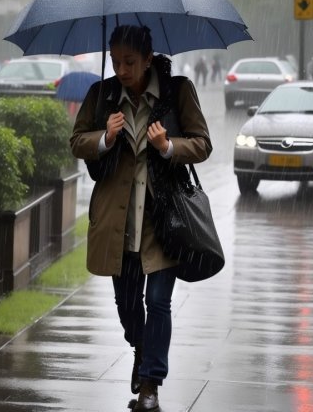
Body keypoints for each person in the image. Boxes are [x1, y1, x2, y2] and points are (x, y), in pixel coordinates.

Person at [70, 25, 212, 411]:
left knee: (159, 301)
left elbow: (202, 143)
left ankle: (151, 383)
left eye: (130, 62)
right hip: (119, 222)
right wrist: (106, 138)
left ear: (148, 59)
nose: (121, 69)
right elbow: (77, 140)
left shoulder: (177, 91)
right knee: (128, 304)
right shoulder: (103, 95)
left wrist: (168, 146)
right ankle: (140, 348)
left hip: (164, 219)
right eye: (115, 61)